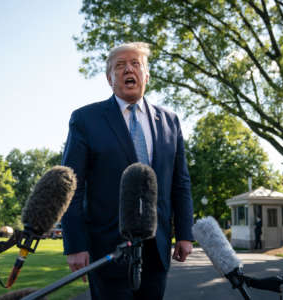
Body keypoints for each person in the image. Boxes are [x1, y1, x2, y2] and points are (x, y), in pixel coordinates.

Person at [61, 42, 194, 300]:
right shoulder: (85, 120)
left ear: (147, 74)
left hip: (157, 249)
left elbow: (181, 182)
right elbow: (71, 186)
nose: (127, 69)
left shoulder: (170, 121)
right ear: (109, 78)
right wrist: (75, 244)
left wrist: (185, 233)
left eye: (135, 63)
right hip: (107, 249)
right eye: (119, 66)